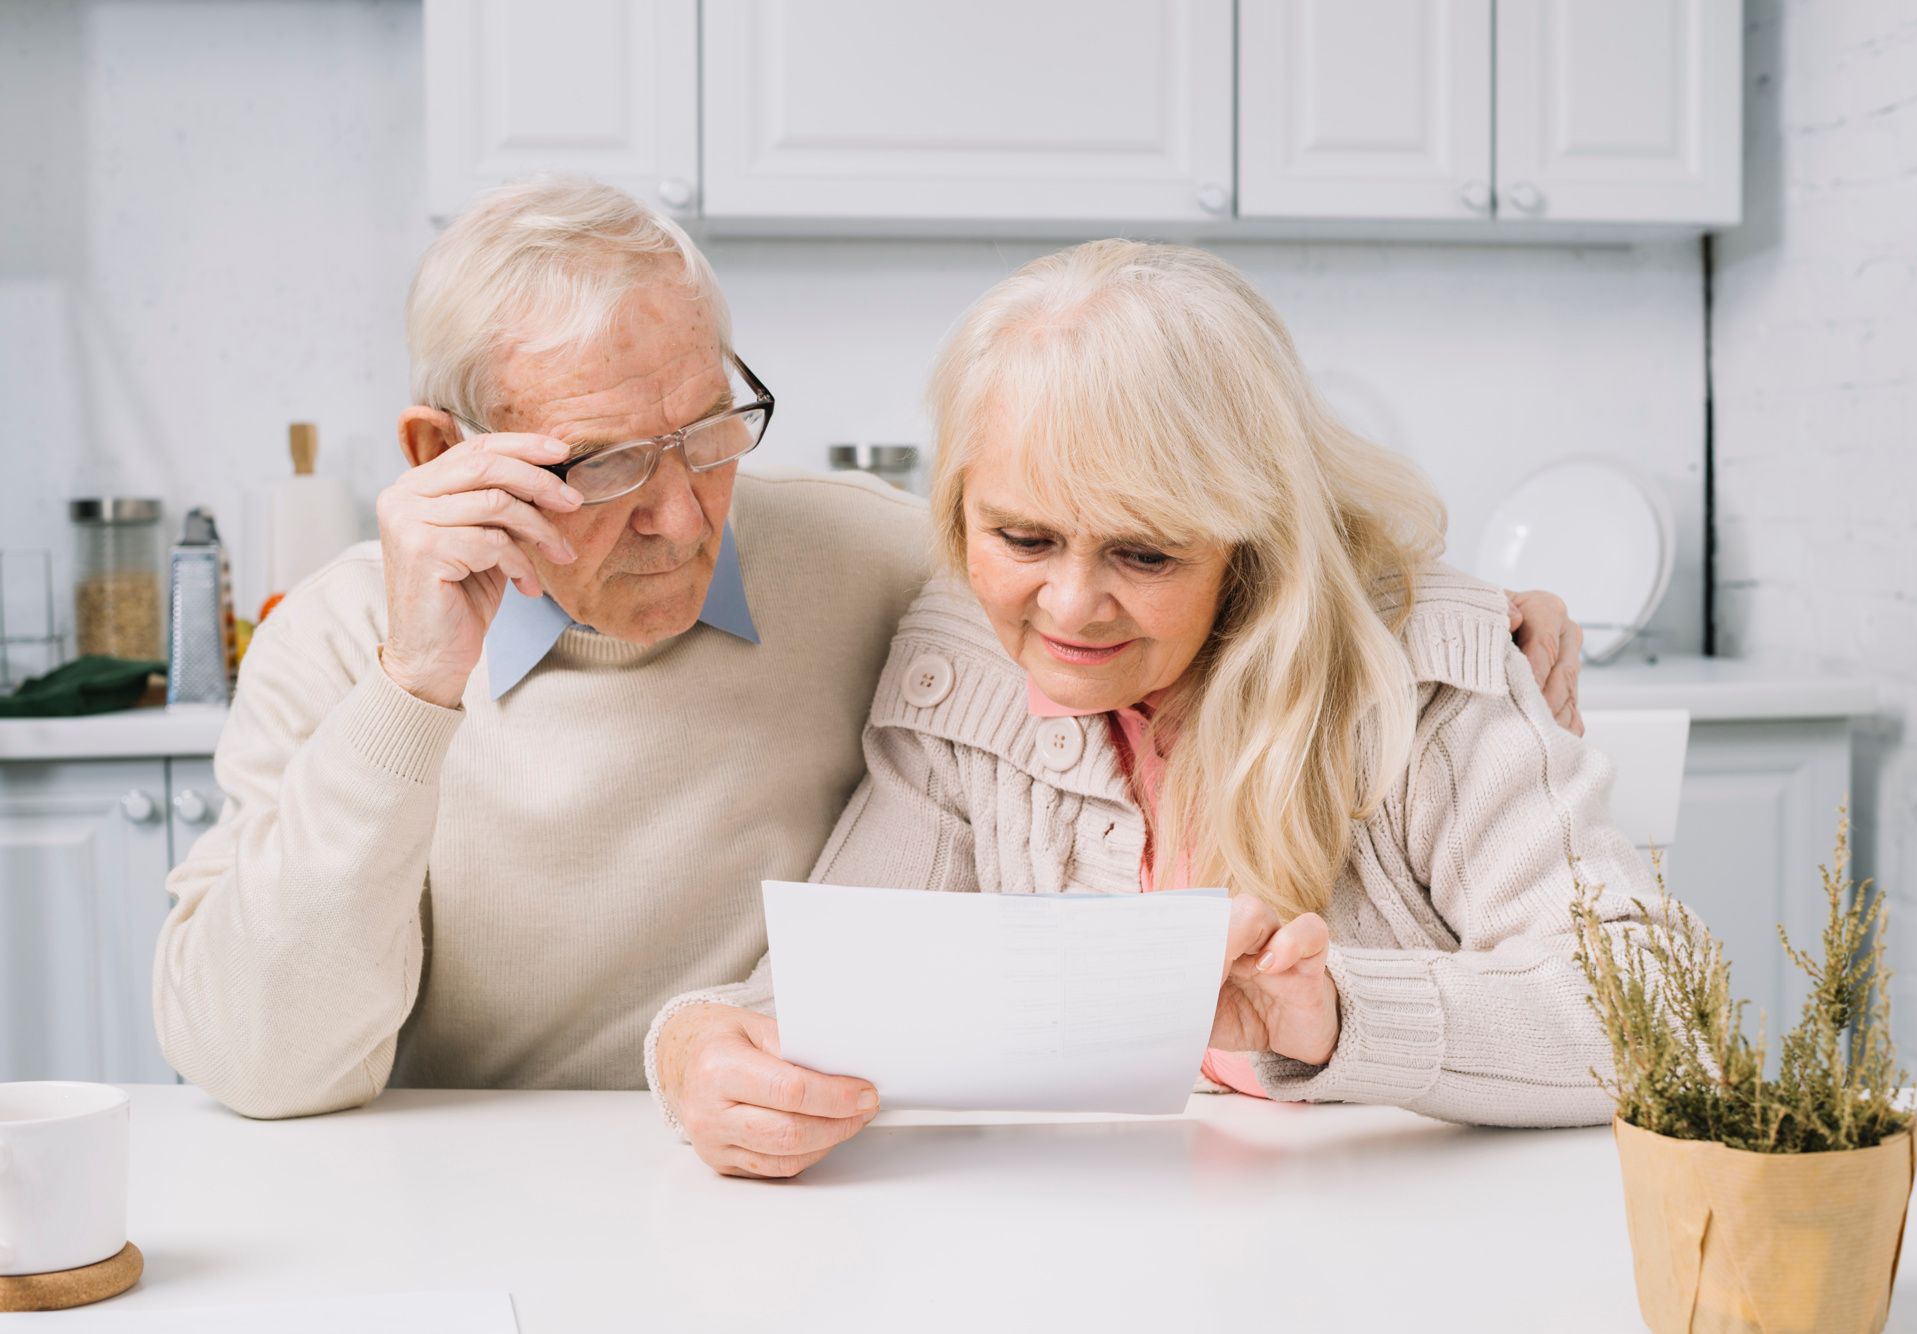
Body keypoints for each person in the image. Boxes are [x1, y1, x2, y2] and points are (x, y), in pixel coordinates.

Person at [155, 177, 1585, 1119]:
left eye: (709, 431)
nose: (679, 511)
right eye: (599, 464)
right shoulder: (340, 644)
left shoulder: (896, 564)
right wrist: (413, 693)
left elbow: (1148, 508)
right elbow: (258, 1065)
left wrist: (1436, 619)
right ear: (441, 455)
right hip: (484, 1205)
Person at [653, 240, 1676, 1179]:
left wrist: (1334, 1014)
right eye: (1020, 537)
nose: (1067, 606)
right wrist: (692, 1046)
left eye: (1143, 553)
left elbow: (1655, 1015)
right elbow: (832, 988)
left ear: (1252, 541)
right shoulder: (956, 649)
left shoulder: (1424, 676)